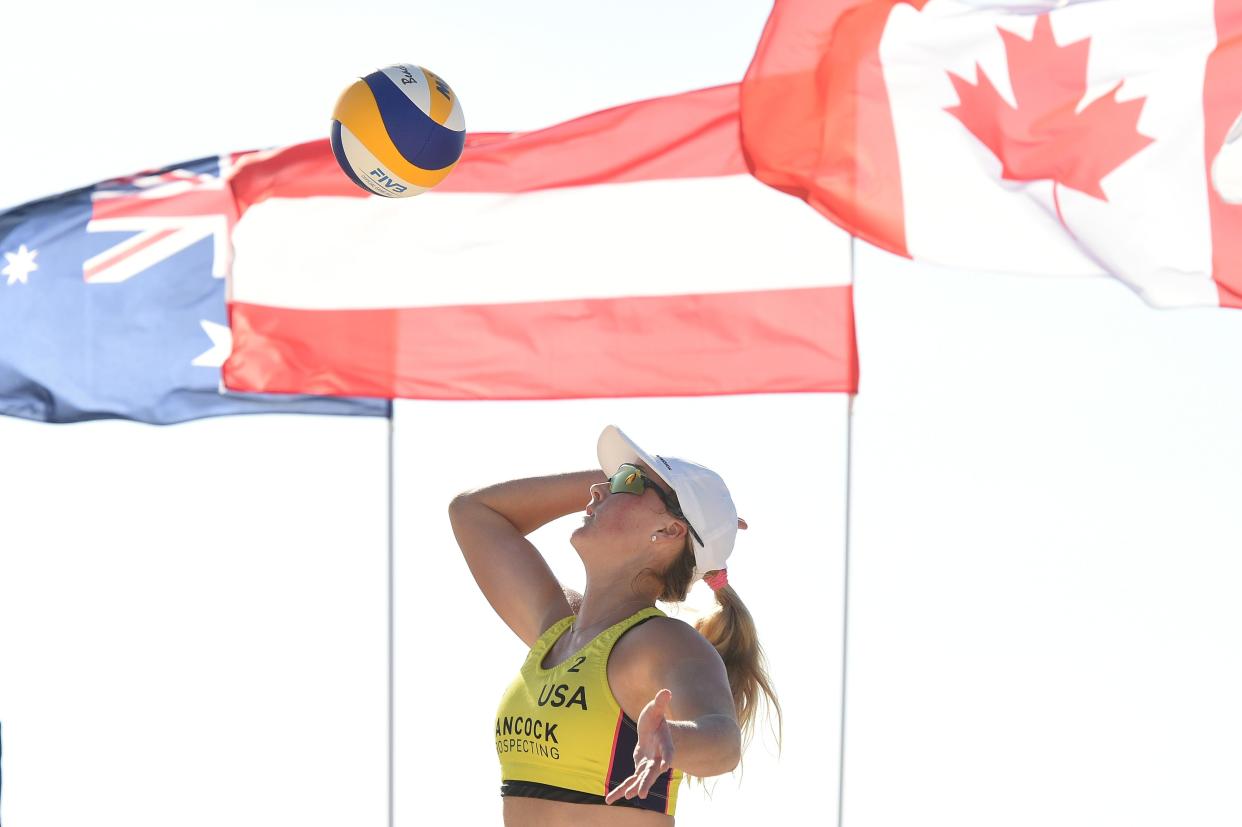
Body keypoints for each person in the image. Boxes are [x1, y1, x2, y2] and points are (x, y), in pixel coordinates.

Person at [449, 425, 781, 826]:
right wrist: (622, 478)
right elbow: (472, 512)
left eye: (628, 483)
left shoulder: (663, 642)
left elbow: (723, 743)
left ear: (669, 531)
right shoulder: (557, 628)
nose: (597, 491)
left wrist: (671, 738)